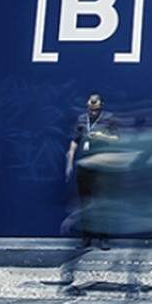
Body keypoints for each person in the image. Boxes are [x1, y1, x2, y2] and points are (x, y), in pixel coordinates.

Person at [65, 93, 117, 250]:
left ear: (101, 106)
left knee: (102, 203)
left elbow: (117, 139)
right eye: (90, 109)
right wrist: (69, 163)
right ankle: (86, 238)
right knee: (85, 203)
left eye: (95, 109)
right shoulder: (82, 119)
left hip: (102, 166)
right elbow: (75, 141)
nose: (92, 112)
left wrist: (103, 137)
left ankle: (103, 238)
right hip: (85, 166)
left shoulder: (109, 118)